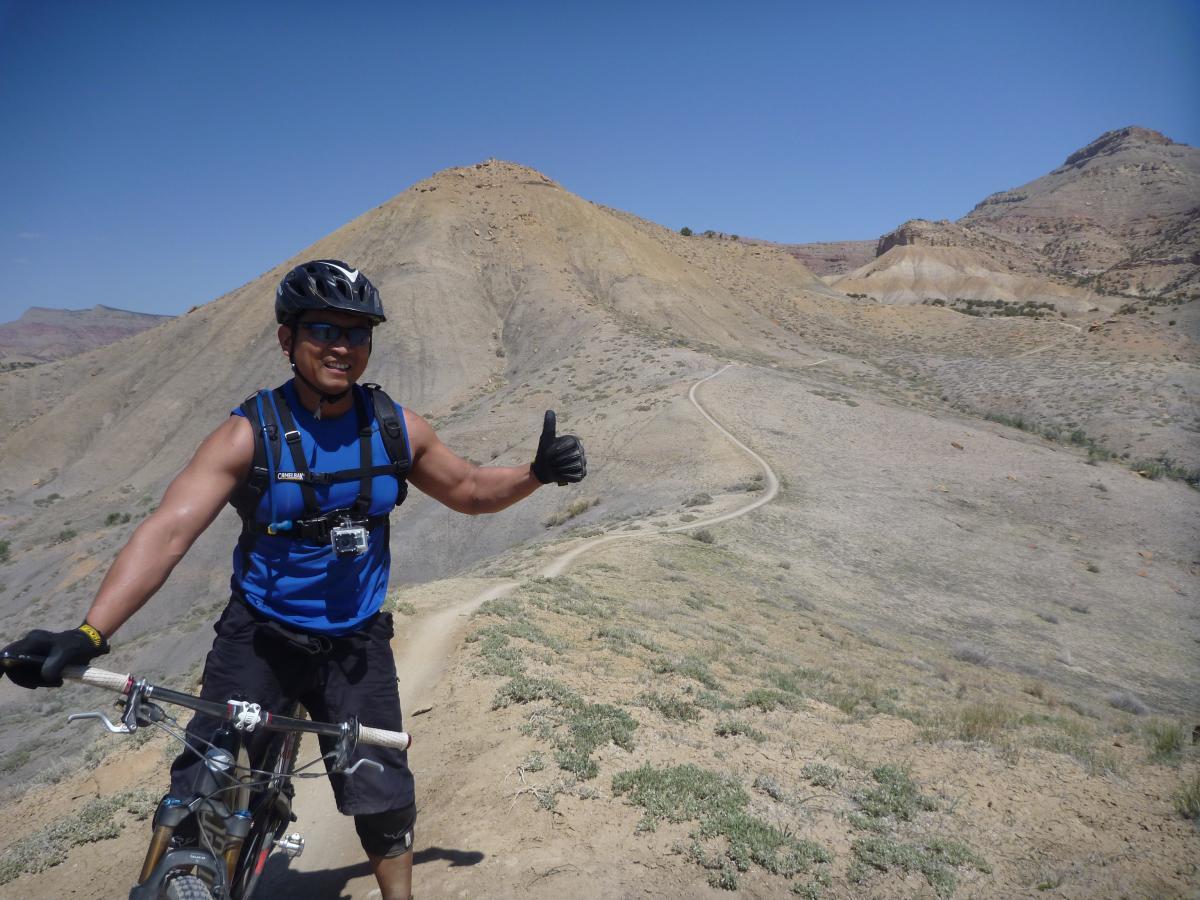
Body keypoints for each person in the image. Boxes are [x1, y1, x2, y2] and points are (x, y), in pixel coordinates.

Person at [0, 259, 586, 900]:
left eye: (358, 332)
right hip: (260, 633)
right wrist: (91, 631)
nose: (342, 345)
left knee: (383, 796)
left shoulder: (394, 429)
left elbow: (470, 490)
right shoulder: (247, 435)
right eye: (324, 329)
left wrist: (534, 473)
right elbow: (169, 529)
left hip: (355, 644)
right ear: (288, 339)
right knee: (203, 782)